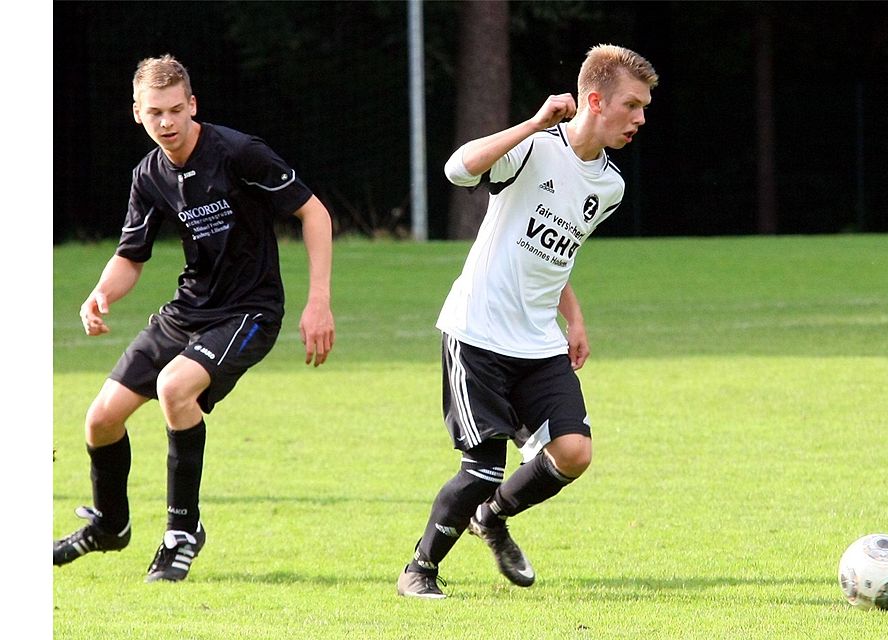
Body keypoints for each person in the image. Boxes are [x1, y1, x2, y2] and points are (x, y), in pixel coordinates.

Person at [53, 54, 335, 582]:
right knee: (101, 419)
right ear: (138, 113)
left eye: (177, 111)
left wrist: (317, 300)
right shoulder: (150, 174)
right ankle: (109, 526)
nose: (167, 123)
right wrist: (100, 293)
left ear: (193, 106)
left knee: (174, 388)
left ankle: (183, 531)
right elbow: (131, 256)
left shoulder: (237, 152)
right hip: (189, 310)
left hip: (249, 311)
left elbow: (313, 211)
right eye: (155, 112)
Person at [397, 44, 658, 598]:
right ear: (595, 100)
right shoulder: (534, 147)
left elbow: (553, 256)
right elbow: (456, 168)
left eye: (643, 107)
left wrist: (577, 318)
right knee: (482, 468)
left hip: (538, 341)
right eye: (632, 105)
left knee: (573, 452)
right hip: (477, 333)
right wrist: (535, 121)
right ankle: (419, 569)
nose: (640, 118)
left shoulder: (609, 187)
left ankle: (491, 518)